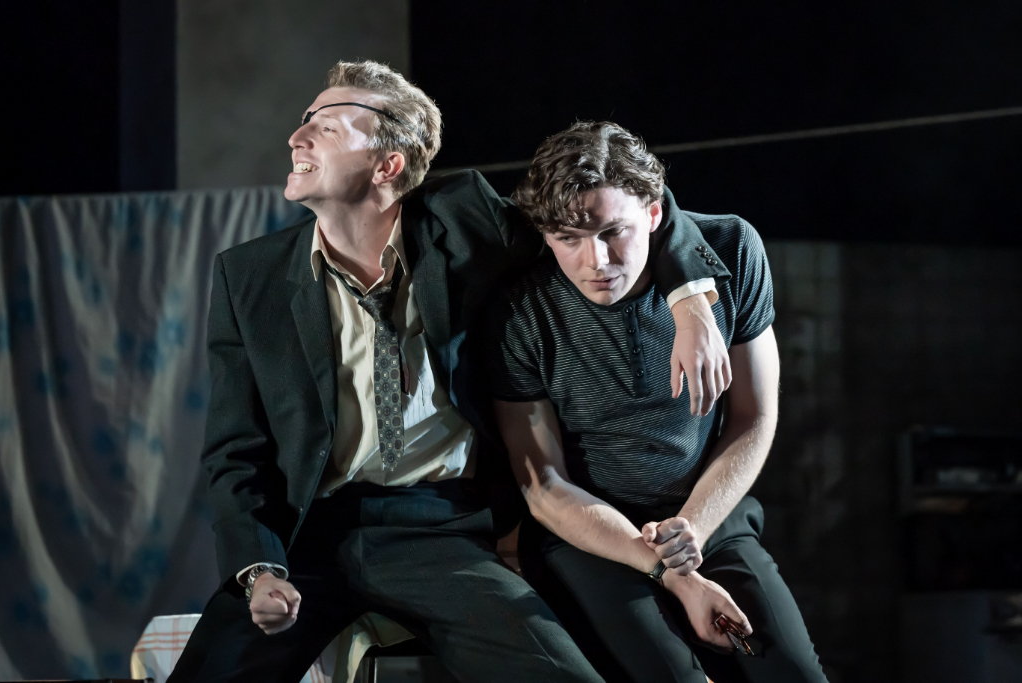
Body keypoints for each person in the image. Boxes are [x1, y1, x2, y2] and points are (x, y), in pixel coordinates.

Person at [168, 62, 731, 683]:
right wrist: (258, 567)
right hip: (306, 538)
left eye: (325, 125)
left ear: (388, 164)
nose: (296, 137)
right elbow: (235, 450)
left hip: (441, 532)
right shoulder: (249, 276)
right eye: (304, 122)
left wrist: (692, 299)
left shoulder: (466, 222)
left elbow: (627, 206)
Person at [490, 121, 829, 683]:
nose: (596, 260)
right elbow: (544, 483)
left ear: (653, 213)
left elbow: (753, 417)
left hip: (708, 510)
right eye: (569, 238)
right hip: (592, 531)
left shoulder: (730, 250)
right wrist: (671, 570)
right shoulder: (520, 306)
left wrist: (690, 529)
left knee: (791, 672)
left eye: (613, 231)